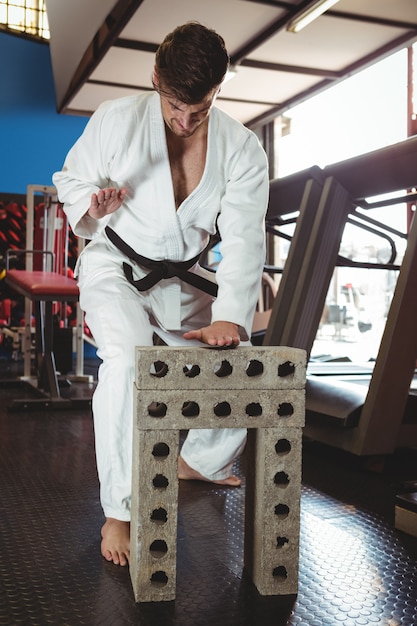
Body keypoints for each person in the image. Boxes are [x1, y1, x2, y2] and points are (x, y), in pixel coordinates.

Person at [53, 22, 269, 567]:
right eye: (175, 105)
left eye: (200, 107)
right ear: (155, 78)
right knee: (126, 361)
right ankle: (119, 511)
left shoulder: (242, 149)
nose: (186, 119)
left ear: (219, 88)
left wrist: (232, 320)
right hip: (115, 266)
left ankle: (195, 459)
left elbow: (244, 238)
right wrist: (93, 206)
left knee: (240, 365)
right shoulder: (114, 119)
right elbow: (70, 180)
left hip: (184, 278)